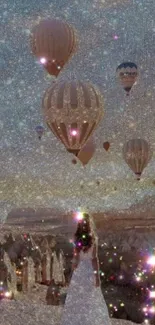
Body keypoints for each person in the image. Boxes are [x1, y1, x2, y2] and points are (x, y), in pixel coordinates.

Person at [60, 212, 111, 325]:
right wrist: (97, 276)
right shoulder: (93, 238)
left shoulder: (77, 238)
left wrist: (72, 272)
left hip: (79, 272)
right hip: (89, 271)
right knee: (89, 299)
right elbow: (94, 259)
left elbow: (76, 258)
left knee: (77, 299)